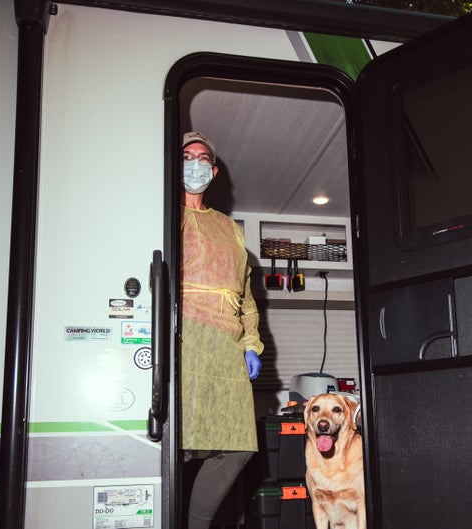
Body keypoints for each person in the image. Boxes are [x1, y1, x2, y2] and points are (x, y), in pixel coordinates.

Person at [179, 131, 264, 529]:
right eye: (186, 156)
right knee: (177, 441)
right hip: (184, 340)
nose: (195, 164)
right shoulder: (162, 213)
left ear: (212, 172)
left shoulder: (231, 228)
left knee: (238, 444)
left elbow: (246, 298)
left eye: (202, 159)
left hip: (227, 346)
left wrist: (251, 344)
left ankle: (197, 523)